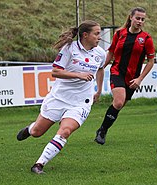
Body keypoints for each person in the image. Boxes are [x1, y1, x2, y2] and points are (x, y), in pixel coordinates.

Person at [16, 20, 106, 174]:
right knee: (38, 132)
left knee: (65, 131)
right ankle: (30, 129)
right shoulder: (69, 48)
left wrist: (98, 90)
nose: (100, 37)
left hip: (81, 102)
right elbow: (55, 72)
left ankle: (39, 164)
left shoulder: (100, 53)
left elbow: (100, 69)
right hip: (59, 98)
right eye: (96, 34)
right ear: (85, 35)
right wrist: (78, 75)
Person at [94, 7, 155, 145]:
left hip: (133, 78)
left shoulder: (146, 39)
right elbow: (110, 52)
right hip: (117, 72)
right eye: (137, 18)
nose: (140, 21)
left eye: (142, 19)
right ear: (131, 18)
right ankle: (103, 131)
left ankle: (102, 129)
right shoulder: (119, 33)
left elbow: (151, 62)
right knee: (119, 102)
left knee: (118, 106)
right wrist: (101, 67)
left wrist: (139, 79)